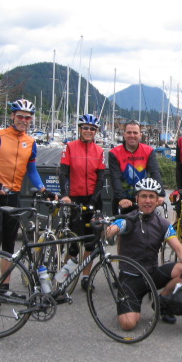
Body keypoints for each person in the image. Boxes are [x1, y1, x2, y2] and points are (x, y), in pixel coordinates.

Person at [0, 99, 51, 298]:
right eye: (20, 116)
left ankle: (4, 289)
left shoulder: (31, 142)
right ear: (12, 116)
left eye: (27, 117)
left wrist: (44, 189)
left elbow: (31, 171)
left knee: (9, 243)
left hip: (13, 195)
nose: (24, 120)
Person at [105, 178, 182, 326]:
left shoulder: (162, 224)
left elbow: (179, 248)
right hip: (130, 279)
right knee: (128, 324)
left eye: (151, 196)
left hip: (151, 275)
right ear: (137, 198)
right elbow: (111, 231)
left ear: (157, 200)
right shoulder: (128, 220)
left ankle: (161, 303)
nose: (147, 201)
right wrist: (105, 230)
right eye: (143, 196)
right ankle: (132, 303)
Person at [59, 114, 106, 290]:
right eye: (85, 128)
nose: (88, 131)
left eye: (92, 129)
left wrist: (94, 199)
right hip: (75, 198)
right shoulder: (70, 147)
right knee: (73, 243)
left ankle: (86, 277)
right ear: (80, 129)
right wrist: (65, 194)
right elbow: (63, 173)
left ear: (96, 132)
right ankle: (64, 277)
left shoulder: (99, 151)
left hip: (93, 199)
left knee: (91, 242)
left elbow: (101, 178)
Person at [109, 119, 164, 215]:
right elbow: (115, 178)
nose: (132, 135)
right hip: (123, 200)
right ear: (124, 134)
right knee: (121, 228)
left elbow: (155, 172)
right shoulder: (114, 153)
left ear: (140, 135)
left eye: (135, 133)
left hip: (143, 200)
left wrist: (160, 194)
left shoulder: (148, 151)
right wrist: (121, 198)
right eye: (129, 132)